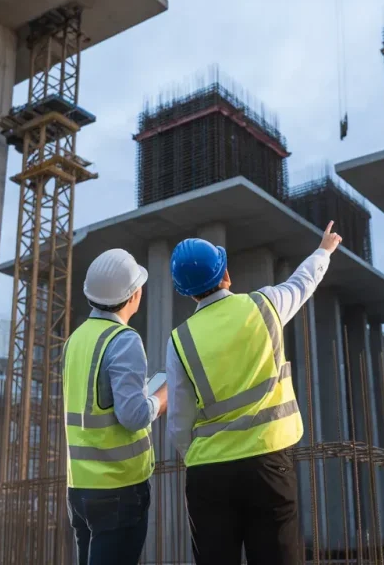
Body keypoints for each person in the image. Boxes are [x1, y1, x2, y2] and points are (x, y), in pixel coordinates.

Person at [166, 222, 343, 565]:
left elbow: (178, 422)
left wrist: (198, 455)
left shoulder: (180, 339)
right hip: (268, 465)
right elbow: (303, 282)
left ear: (188, 292)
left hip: (209, 474)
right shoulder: (265, 306)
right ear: (226, 274)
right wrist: (324, 249)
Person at [63, 248, 168, 565]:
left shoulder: (76, 340)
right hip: (118, 488)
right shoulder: (123, 339)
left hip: (80, 488)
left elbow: (98, 403)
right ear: (134, 294)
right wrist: (163, 395)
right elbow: (133, 416)